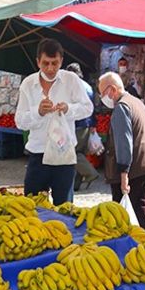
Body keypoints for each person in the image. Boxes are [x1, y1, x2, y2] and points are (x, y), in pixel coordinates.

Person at [15, 39, 94, 206]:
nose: (50, 68)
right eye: (45, 63)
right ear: (38, 62)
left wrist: (68, 109)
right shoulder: (28, 84)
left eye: (55, 63)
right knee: (33, 207)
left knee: (65, 208)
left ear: (61, 61)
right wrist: (38, 112)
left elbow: (88, 108)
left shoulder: (71, 80)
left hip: (64, 156)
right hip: (38, 155)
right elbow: (20, 121)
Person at [98, 72, 145, 232]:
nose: (102, 97)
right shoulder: (136, 102)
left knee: (125, 214)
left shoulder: (121, 108)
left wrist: (123, 173)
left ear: (111, 90)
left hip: (132, 171)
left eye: (102, 93)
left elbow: (124, 142)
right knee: (143, 208)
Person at [65, 63, 99, 193]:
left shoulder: (74, 87)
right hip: (86, 124)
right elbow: (92, 107)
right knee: (81, 153)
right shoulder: (88, 87)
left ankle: (91, 173)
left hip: (77, 124)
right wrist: (93, 124)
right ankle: (76, 185)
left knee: (73, 153)